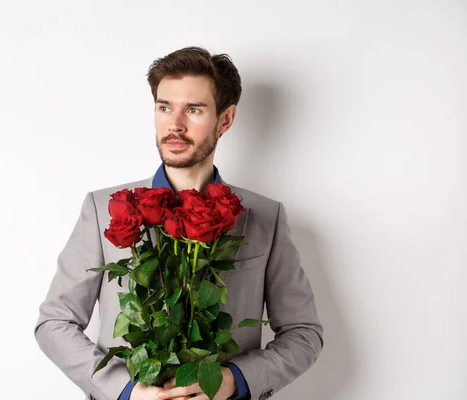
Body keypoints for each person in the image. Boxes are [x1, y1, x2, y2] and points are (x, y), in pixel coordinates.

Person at [34, 46, 324, 400]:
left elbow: (303, 333)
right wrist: (126, 391)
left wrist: (232, 381)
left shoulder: (265, 216)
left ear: (226, 119)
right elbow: (55, 323)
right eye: (164, 107)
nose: (175, 124)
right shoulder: (103, 208)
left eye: (194, 110)